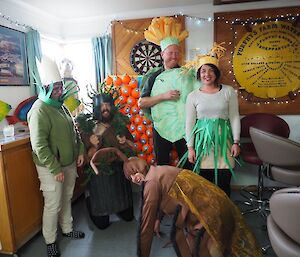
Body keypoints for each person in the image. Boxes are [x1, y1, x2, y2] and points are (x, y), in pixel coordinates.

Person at [122, 157, 263, 257]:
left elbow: (145, 226)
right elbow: (165, 194)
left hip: (208, 214)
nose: (135, 178)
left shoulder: (151, 183)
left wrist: (142, 254)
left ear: (141, 167)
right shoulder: (158, 170)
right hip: (217, 201)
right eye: (130, 177)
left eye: (135, 172)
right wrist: (158, 219)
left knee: (202, 247)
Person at [27, 56, 85, 257]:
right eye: (56, 88)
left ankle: (67, 229)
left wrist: (80, 151)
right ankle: (50, 240)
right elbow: (39, 146)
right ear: (46, 87)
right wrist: (54, 168)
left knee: (67, 197)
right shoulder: (39, 111)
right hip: (51, 167)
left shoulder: (61, 106)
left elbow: (74, 131)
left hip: (68, 163)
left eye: (61, 87)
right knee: (53, 204)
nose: (60, 91)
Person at [181, 43, 241, 196]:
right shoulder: (192, 96)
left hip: (224, 143)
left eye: (211, 70)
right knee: (205, 187)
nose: (207, 74)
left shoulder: (228, 92)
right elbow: (189, 123)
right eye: (203, 71)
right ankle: (208, 216)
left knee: (223, 184)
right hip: (203, 147)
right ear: (199, 74)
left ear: (216, 73)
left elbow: (234, 117)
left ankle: (225, 215)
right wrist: (190, 147)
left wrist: (236, 142)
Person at [138, 17, 198, 167]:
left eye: (177, 53)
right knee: (162, 165)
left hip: (185, 127)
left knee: (188, 165)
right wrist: (163, 96)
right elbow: (142, 102)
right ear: (162, 54)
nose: (174, 56)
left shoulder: (187, 74)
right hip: (161, 127)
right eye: (170, 53)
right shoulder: (153, 76)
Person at [82, 93, 135, 229]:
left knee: (128, 216)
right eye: (102, 106)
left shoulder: (119, 124)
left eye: (108, 105)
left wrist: (125, 142)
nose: (105, 109)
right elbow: (86, 156)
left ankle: (121, 208)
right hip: (100, 176)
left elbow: (133, 147)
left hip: (119, 172)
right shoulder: (89, 127)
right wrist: (93, 143)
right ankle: (89, 200)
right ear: (96, 108)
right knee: (102, 224)